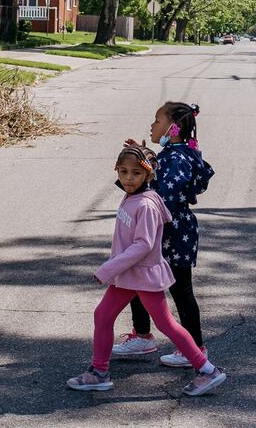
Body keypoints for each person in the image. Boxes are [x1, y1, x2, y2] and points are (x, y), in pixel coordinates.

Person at [68, 144, 226, 397]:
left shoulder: (147, 206)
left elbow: (144, 245)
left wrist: (109, 268)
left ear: (149, 175)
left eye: (136, 173)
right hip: (128, 276)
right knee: (103, 315)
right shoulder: (132, 197)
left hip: (142, 275)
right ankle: (99, 372)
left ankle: (207, 369)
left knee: (167, 324)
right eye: (123, 171)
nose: (129, 178)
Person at [111, 102, 216, 368]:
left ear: (173, 128)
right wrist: (142, 159)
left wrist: (145, 180)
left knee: (181, 290)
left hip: (172, 233)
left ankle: (193, 347)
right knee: (137, 281)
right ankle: (143, 335)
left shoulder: (176, 158)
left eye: (157, 120)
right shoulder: (175, 153)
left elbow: (165, 195)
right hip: (169, 231)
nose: (152, 125)